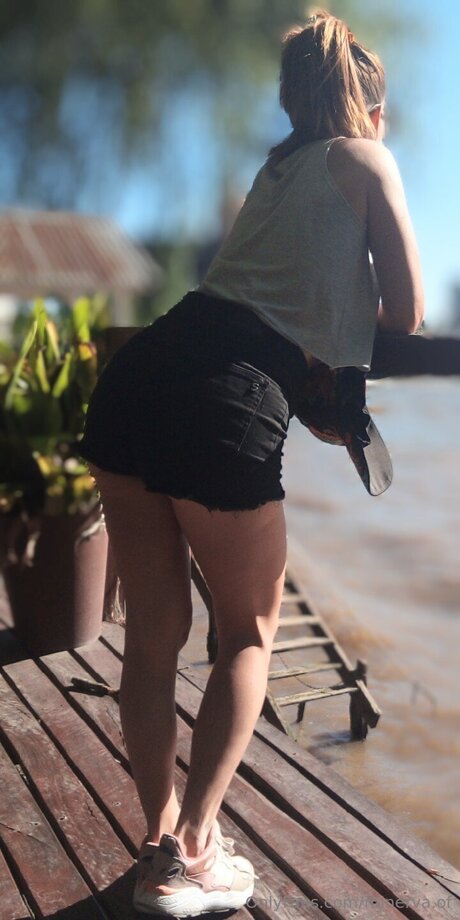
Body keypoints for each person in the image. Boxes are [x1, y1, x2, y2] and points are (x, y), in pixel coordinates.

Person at [78, 10, 424, 917]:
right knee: (247, 635)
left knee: (154, 635)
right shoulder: (367, 157)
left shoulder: (276, 171)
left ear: (292, 100)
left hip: (140, 374)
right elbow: (409, 313)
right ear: (371, 106)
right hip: (227, 398)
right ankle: (193, 853)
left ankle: (160, 839)